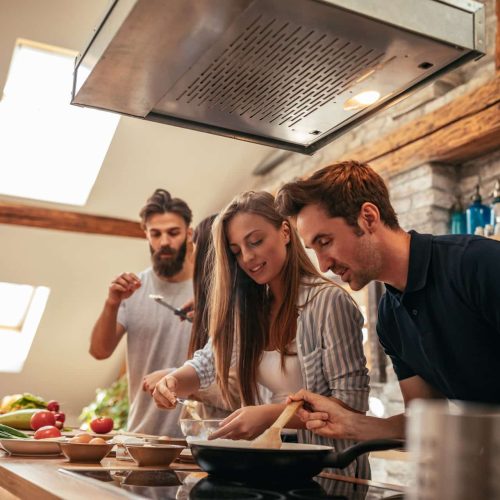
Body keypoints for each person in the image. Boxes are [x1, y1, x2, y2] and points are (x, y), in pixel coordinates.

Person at [274, 160, 500, 441]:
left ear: (368, 217)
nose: (322, 265)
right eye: (313, 249)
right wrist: (349, 422)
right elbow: (423, 423)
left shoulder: (478, 264)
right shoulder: (389, 319)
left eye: (325, 242)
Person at [152, 191, 371, 478]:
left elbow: (350, 406)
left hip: (327, 470)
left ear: (284, 232)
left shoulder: (328, 302)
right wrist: (173, 382)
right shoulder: (249, 310)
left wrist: (270, 415)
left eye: (255, 241)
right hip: (267, 464)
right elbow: (207, 361)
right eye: (236, 251)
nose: (247, 257)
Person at [90, 189, 194, 436]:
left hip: (196, 437)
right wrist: (112, 302)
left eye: (173, 232)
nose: (164, 242)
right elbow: (99, 351)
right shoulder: (132, 289)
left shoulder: (210, 289)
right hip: (142, 436)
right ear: (146, 235)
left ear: (189, 234)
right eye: (156, 234)